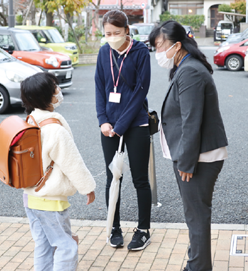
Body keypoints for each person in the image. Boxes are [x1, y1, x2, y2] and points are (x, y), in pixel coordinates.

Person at [149, 21, 228, 271]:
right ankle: (195, 262)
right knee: (195, 215)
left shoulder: (190, 71)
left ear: (177, 45)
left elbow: (191, 121)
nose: (157, 52)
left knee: (196, 216)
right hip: (196, 155)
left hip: (198, 158)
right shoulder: (185, 66)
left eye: (159, 45)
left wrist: (186, 162)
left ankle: (197, 267)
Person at [20, 72, 96, 271]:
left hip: (30, 198)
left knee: (43, 245)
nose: (58, 91)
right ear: (47, 96)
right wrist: (88, 188)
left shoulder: (29, 120)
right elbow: (72, 163)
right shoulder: (54, 129)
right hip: (50, 200)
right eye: (55, 87)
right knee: (66, 246)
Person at [95, 10, 152, 251]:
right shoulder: (103, 52)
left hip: (136, 123)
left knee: (140, 179)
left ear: (127, 30)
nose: (112, 37)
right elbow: (99, 87)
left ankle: (143, 230)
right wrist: (102, 120)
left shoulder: (140, 52)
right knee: (112, 177)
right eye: (108, 33)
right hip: (109, 126)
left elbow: (140, 92)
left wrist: (120, 126)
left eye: (117, 33)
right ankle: (114, 226)